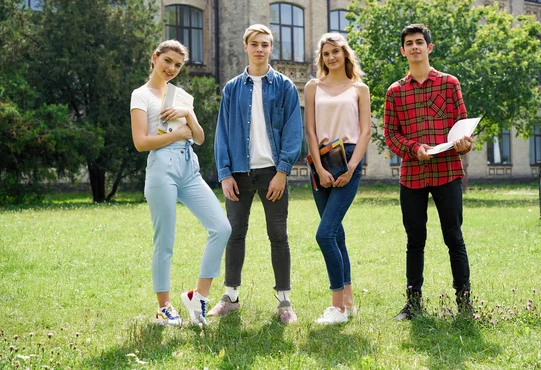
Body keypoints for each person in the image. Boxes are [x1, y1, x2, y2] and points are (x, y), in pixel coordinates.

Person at [130, 40, 231, 326]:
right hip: (162, 168)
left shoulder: (182, 97)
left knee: (221, 227)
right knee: (166, 241)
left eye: (177, 65)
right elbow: (141, 142)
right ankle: (164, 307)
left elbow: (198, 137)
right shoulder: (141, 95)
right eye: (168, 61)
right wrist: (178, 134)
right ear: (155, 58)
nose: (172, 68)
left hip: (190, 168)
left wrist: (187, 115)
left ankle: (198, 296)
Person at [211, 24, 303, 324]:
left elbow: (293, 132)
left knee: (278, 235)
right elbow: (222, 133)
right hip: (238, 172)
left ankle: (284, 302)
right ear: (246, 47)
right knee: (234, 234)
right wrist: (224, 173)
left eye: (265, 44)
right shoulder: (233, 88)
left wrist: (283, 171)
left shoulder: (285, 87)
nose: (260, 49)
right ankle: (231, 297)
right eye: (255, 44)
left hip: (272, 172)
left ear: (271, 48)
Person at [384, 24, 474, 320]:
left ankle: (464, 304)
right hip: (412, 176)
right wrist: (413, 148)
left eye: (419, 42)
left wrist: (464, 144)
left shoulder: (449, 84)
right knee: (414, 240)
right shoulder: (395, 92)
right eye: (409, 43)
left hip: (447, 172)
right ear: (403, 51)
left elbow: (462, 127)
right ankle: (412, 304)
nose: (414, 47)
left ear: (429, 47)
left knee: (454, 237)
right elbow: (391, 135)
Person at [304, 33, 371, 324]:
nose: (331, 57)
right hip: (321, 161)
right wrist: (319, 168)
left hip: (349, 158)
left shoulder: (359, 88)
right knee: (337, 234)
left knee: (325, 234)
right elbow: (310, 131)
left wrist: (352, 168)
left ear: (345, 54)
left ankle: (337, 308)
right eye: (326, 53)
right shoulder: (312, 87)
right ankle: (348, 301)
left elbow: (366, 130)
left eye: (336, 52)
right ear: (322, 57)